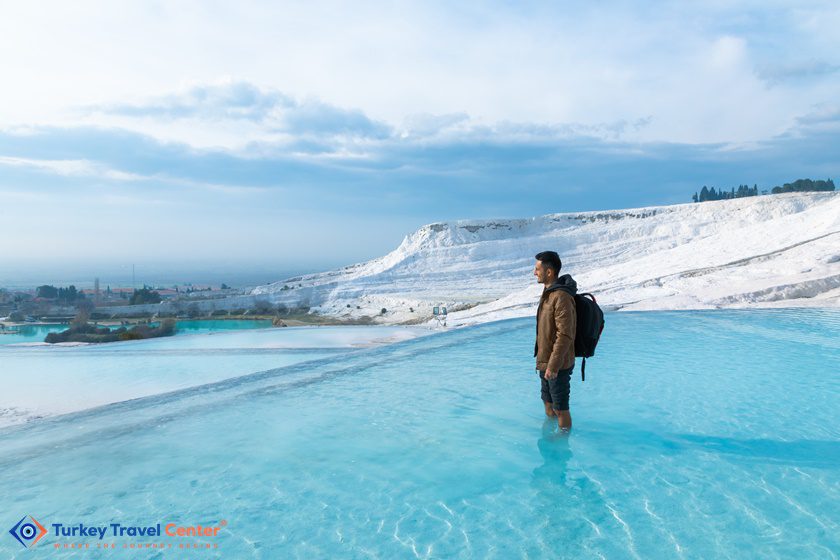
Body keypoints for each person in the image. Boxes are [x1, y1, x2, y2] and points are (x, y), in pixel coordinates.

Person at [533, 251, 577, 430]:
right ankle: (550, 435)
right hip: (545, 361)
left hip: (558, 364)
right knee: (548, 404)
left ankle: (563, 443)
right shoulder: (548, 293)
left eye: (537, 269)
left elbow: (565, 335)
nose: (534, 272)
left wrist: (553, 365)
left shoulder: (561, 297)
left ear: (549, 272)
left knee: (560, 409)